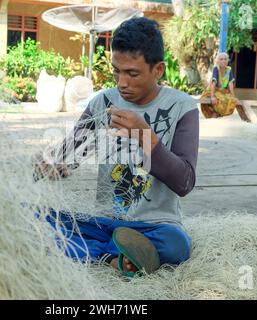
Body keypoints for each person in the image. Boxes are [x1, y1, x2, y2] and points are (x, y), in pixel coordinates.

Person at [32, 17, 199, 277]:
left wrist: (145, 135)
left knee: (177, 246)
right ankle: (114, 255)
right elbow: (68, 156)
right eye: (116, 71)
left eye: (132, 73)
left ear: (158, 70)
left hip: (154, 228)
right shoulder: (103, 101)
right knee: (31, 218)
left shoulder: (182, 107)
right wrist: (49, 164)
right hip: (103, 221)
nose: (122, 82)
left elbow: (184, 181)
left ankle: (101, 252)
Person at [200, 52, 251, 121]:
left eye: (225, 59)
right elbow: (213, 82)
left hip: (223, 91)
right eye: (221, 59)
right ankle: (215, 113)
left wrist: (233, 96)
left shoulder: (229, 70)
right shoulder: (216, 69)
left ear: (227, 60)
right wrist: (212, 96)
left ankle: (219, 114)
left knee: (231, 100)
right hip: (213, 90)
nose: (223, 61)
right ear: (218, 61)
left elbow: (230, 84)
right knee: (217, 99)